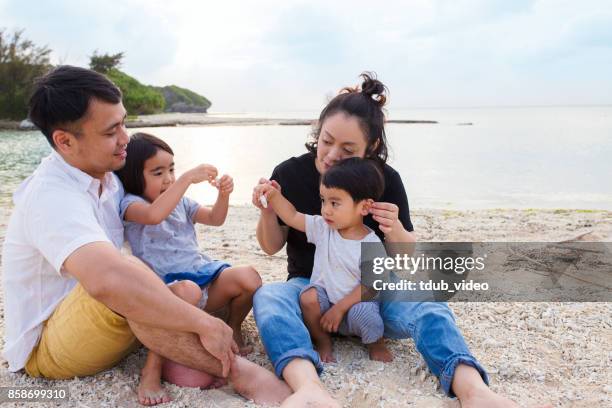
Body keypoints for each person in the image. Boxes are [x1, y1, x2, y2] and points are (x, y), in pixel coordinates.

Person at [252, 73, 550, 408]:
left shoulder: (385, 181)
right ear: (317, 132)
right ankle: (307, 387)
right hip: (312, 290)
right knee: (269, 297)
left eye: (348, 150)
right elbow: (271, 246)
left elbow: (406, 260)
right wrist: (266, 211)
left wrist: (394, 228)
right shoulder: (290, 173)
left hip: (373, 293)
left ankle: (473, 390)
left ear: (371, 149)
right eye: (327, 140)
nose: (332, 155)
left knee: (430, 301)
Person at [1, 65, 291, 407]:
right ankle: (245, 375)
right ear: (64, 141)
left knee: (173, 283)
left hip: (109, 330)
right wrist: (203, 323)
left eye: (124, 122)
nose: (126, 138)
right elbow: (107, 279)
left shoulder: (108, 179)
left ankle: (185, 355)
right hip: (50, 348)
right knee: (128, 269)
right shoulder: (50, 195)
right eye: (112, 131)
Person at [115, 132, 261, 405]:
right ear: (134, 175)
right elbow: (153, 215)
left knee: (249, 277)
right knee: (188, 291)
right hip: (168, 292)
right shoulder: (131, 204)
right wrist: (186, 179)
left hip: (203, 276)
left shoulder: (181, 202)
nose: (169, 178)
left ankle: (233, 329)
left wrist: (223, 195)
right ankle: (152, 369)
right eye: (158, 172)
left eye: (172, 169)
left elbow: (215, 219)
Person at [259, 157, 392, 364]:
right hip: (324, 303)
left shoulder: (372, 243)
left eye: (335, 203)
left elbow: (371, 286)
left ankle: (376, 343)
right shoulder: (323, 228)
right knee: (308, 297)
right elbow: (292, 216)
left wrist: (340, 309)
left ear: (364, 208)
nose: (326, 209)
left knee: (366, 314)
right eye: (323, 200)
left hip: (354, 305)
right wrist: (274, 196)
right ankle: (323, 341)